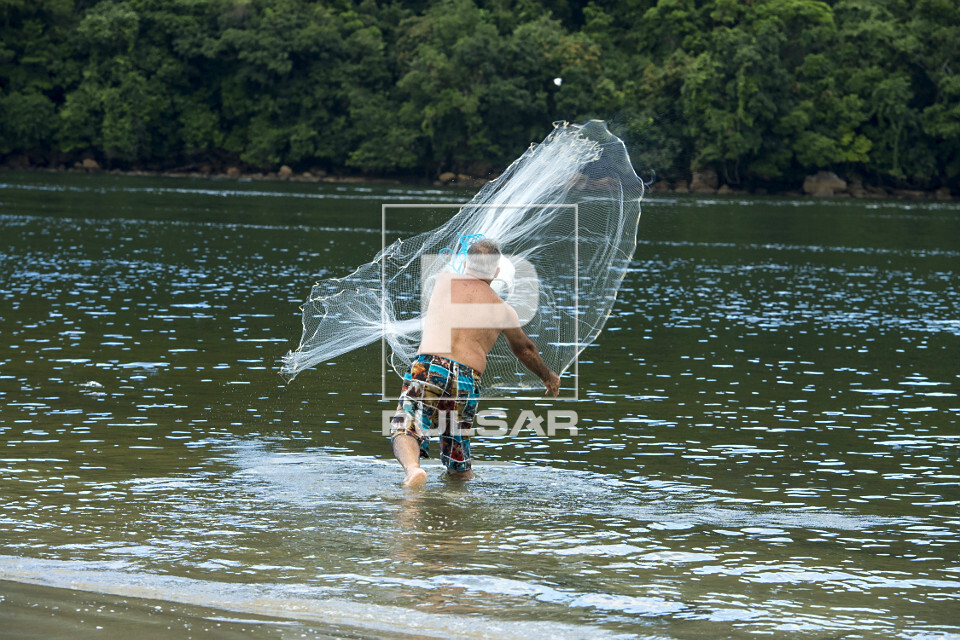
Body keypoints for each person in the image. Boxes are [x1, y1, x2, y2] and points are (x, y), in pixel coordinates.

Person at [389, 239, 561, 487]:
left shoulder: (442, 281)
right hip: (467, 380)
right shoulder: (504, 310)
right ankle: (459, 497)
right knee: (456, 450)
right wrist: (548, 376)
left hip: (431, 367)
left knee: (406, 424)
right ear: (497, 272)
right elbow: (525, 349)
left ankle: (413, 470)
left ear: (466, 263)